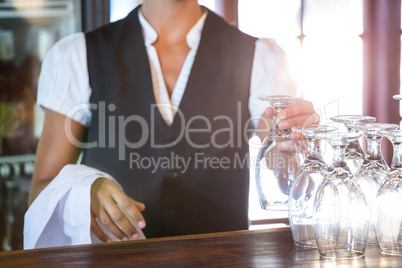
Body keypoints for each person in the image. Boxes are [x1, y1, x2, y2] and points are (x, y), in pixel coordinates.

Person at [27, 0, 317, 245]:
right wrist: (85, 191)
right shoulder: (79, 55)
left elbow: (280, 154)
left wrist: (290, 149)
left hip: (223, 260)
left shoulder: (259, 56)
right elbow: (41, 191)